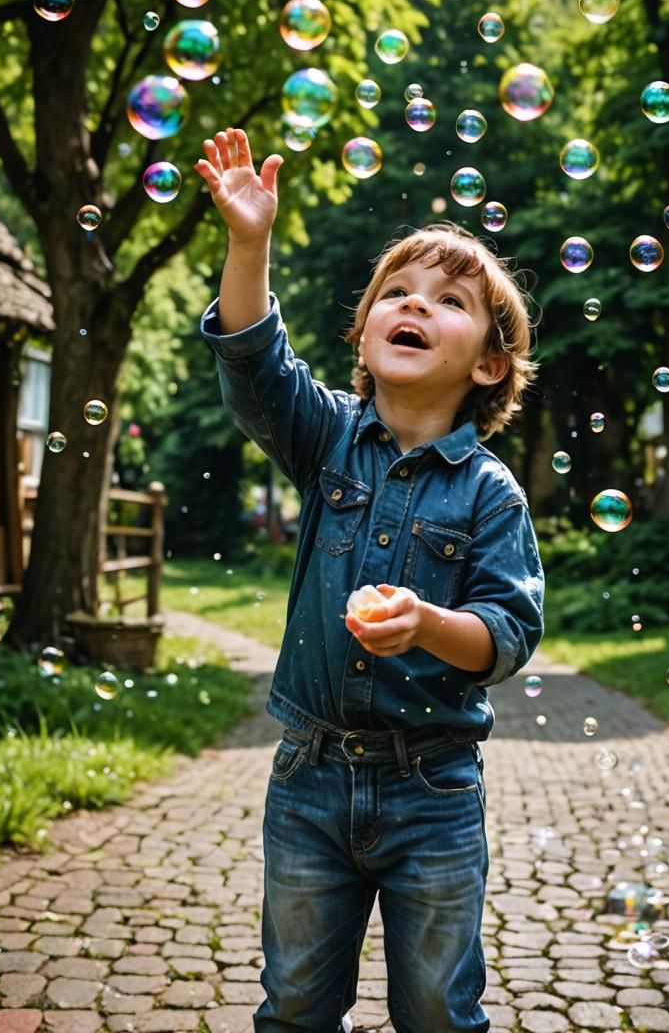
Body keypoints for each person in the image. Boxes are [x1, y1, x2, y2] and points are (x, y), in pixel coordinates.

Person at [196, 128, 544, 1033]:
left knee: (436, 1010)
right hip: (308, 778)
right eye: (396, 292)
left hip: (435, 789)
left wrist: (429, 623)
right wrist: (249, 243)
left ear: (489, 364)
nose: (414, 302)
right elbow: (255, 365)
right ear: (364, 332)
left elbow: (507, 635)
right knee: (296, 1005)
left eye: (449, 300)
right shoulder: (328, 440)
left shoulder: (490, 493)